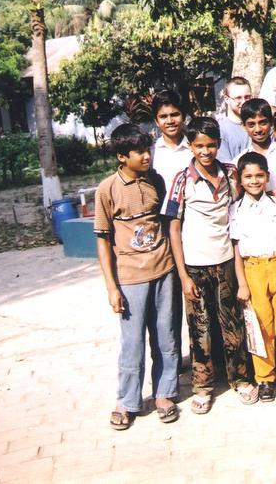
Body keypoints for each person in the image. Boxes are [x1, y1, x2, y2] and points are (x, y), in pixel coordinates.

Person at [164, 117, 257, 413]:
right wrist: (183, 275)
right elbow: (173, 228)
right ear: (190, 146)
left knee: (233, 325)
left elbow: (247, 200)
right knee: (199, 328)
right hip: (195, 264)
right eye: (199, 146)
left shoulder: (230, 173)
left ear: (218, 144)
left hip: (226, 260)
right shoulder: (182, 180)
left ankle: (240, 379)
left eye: (211, 145)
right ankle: (202, 386)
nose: (206, 151)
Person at [95, 123, 180, 430]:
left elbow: (168, 223)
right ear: (122, 156)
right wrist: (111, 287)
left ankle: (165, 393)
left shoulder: (156, 181)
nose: (147, 156)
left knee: (166, 336)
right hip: (130, 278)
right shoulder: (107, 189)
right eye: (139, 152)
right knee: (132, 343)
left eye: (148, 150)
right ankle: (127, 401)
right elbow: (103, 240)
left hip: (164, 270)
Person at [230, 152, 276, 402]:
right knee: (260, 325)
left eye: (259, 176)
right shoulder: (236, 209)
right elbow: (236, 249)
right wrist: (242, 283)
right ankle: (265, 377)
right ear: (240, 180)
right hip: (253, 269)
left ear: (267, 177)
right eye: (248, 177)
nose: (254, 181)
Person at [150, 89, 191, 374]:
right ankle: (171, 363)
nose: (170, 120)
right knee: (168, 304)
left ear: (183, 116)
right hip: (163, 233)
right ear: (156, 121)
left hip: (196, 231)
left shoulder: (196, 145)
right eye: (163, 116)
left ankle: (207, 358)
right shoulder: (152, 152)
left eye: (174, 114)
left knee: (198, 298)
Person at [233, 98, 276, 191]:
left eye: (262, 123)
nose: (258, 129)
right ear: (244, 126)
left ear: (271, 122)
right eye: (251, 124)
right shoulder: (238, 161)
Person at [217, 76, 252, 163]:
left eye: (247, 97)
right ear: (226, 99)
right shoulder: (221, 129)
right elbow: (226, 165)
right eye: (238, 98)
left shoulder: (259, 125)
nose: (244, 102)